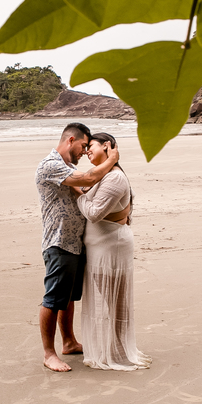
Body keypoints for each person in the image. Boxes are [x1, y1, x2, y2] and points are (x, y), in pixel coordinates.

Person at [35, 123, 119, 372]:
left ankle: (69, 342)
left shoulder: (68, 168)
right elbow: (89, 178)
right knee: (53, 299)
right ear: (70, 140)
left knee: (68, 297)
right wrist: (111, 160)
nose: (84, 151)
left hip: (74, 243)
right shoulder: (51, 165)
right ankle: (49, 354)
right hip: (58, 242)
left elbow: (86, 187)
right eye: (83, 145)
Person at [76, 132, 150, 371]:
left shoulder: (115, 178)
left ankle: (120, 349)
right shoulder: (104, 175)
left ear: (107, 146)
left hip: (111, 247)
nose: (87, 150)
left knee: (115, 301)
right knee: (110, 299)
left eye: (91, 145)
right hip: (102, 246)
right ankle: (117, 345)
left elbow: (94, 213)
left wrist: (78, 194)